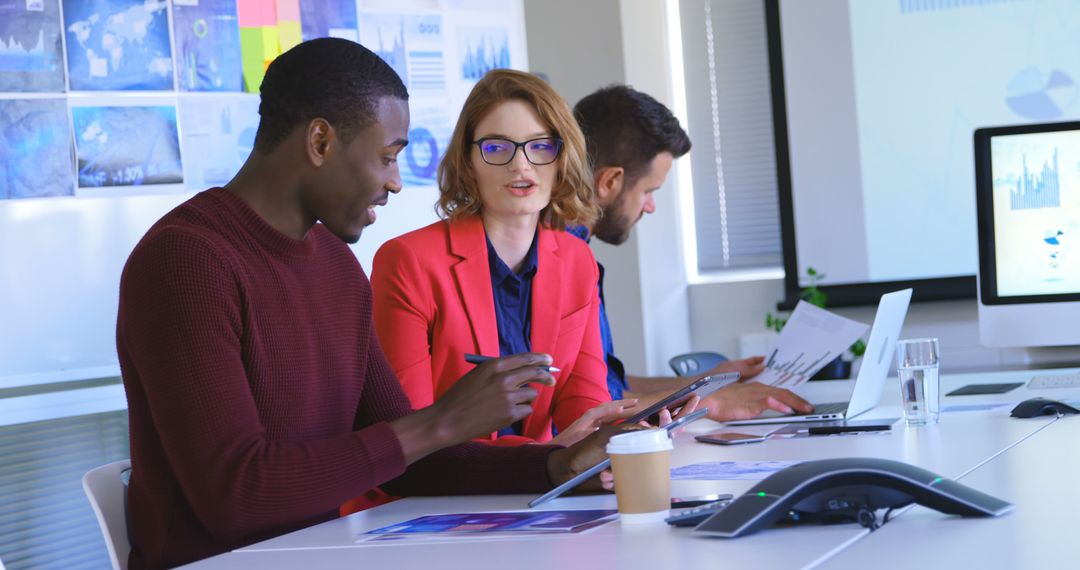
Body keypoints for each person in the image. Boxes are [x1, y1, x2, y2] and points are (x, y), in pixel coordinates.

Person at [116, 39, 615, 569]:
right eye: (386, 157)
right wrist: (443, 421)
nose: (396, 183)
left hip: (327, 554)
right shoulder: (185, 262)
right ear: (320, 141)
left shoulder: (334, 262)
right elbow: (236, 496)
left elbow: (410, 465)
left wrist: (563, 466)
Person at [371, 69, 650, 448]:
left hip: (540, 488)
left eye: (539, 146)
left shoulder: (576, 260)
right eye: (497, 148)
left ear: (561, 156)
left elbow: (584, 404)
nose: (521, 165)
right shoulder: (408, 262)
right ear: (468, 162)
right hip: (436, 492)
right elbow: (410, 433)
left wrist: (616, 435)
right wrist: (547, 457)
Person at [572, 85, 814, 421]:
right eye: (649, 191)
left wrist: (702, 383)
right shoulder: (561, 268)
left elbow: (610, 386)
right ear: (609, 181)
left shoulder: (577, 257)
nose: (651, 207)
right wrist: (711, 400)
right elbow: (593, 408)